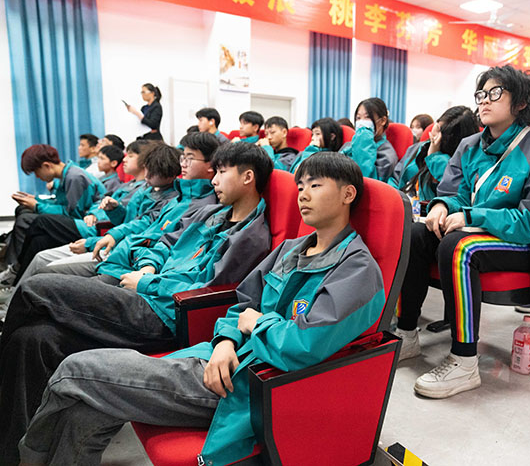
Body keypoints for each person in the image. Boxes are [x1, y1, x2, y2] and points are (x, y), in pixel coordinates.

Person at [15, 151, 384, 466]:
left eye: (315, 185)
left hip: (247, 385)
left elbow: (304, 345)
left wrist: (256, 324)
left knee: (75, 369)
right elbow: (243, 303)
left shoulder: (357, 270)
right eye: (300, 186)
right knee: (85, 411)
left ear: (347, 194)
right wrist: (225, 340)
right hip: (217, 357)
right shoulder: (292, 248)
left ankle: (25, 459)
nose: (303, 194)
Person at [0, 142, 275, 464]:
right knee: (32, 338)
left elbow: (208, 290)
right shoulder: (210, 213)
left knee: (35, 288)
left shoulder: (250, 237)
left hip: (162, 313)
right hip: (141, 293)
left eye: (222, 172)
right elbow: (165, 242)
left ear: (247, 177)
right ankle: (9, 449)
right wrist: (148, 266)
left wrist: (147, 282)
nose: (214, 179)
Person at [395, 65, 530, 399]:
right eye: (481, 94)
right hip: (476, 231)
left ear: (521, 103)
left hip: (522, 242)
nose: (484, 100)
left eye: (495, 93)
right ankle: (407, 333)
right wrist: (442, 206)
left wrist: (471, 215)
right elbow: (454, 192)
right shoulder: (470, 145)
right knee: (414, 234)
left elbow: (528, 223)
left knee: (460, 247)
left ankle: (464, 360)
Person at [2, 141, 180, 294]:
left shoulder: (168, 199)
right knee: (38, 241)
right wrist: (112, 209)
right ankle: (15, 284)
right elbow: (126, 221)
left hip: (110, 244)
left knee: (38, 230)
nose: (125, 159)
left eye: (131, 156)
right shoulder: (144, 190)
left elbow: (141, 231)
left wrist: (92, 240)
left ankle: (15, 282)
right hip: (111, 244)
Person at [45, 133, 219, 280]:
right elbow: (141, 227)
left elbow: (158, 240)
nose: (184, 164)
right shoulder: (174, 196)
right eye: (184, 158)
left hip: (130, 261)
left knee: (45, 272)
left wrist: (145, 269)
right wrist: (112, 210)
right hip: (121, 253)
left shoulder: (193, 203)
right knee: (44, 268)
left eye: (190, 158)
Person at [0, 145, 106, 285]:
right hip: (77, 222)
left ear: (47, 166)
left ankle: (15, 268)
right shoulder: (67, 175)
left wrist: (37, 206)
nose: (37, 176)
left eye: (36, 172)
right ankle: (16, 283)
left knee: (39, 220)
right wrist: (36, 201)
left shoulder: (74, 177)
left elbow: (73, 213)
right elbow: (62, 204)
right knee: (38, 241)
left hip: (87, 226)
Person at [390, 106, 479, 205]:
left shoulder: (462, 162)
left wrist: (434, 157)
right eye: (437, 126)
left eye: (441, 132)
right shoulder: (419, 148)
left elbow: (454, 194)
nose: (434, 134)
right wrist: (394, 199)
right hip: (402, 202)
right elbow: (395, 178)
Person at [340, 97, 398, 182]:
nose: (361, 122)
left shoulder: (386, 155)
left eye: (367, 117)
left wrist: (364, 140)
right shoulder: (349, 145)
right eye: (358, 118)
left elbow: (368, 182)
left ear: (383, 120)